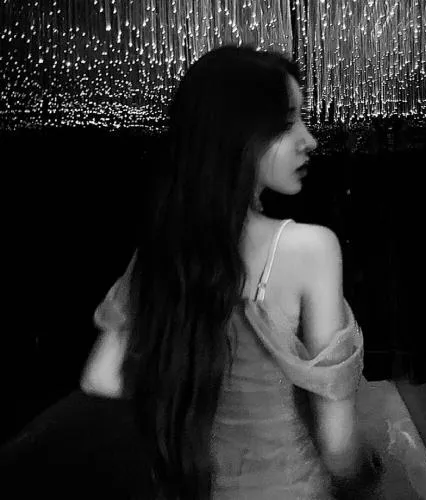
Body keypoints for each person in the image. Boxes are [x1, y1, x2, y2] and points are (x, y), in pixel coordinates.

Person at [80, 44, 383, 500]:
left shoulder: (163, 251)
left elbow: (101, 377)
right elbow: (339, 447)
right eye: (288, 122)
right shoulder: (310, 248)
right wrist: (371, 474)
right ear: (235, 135)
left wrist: (189, 376)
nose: (309, 139)